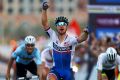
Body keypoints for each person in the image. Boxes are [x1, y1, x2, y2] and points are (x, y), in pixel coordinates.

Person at [41, 2, 89, 80]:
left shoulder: (71, 39)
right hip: (55, 70)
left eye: (64, 24)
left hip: (68, 72)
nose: (61, 25)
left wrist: (86, 32)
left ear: (66, 26)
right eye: (59, 24)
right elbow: (44, 23)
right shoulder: (53, 36)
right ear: (56, 26)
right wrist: (44, 10)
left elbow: (81, 38)